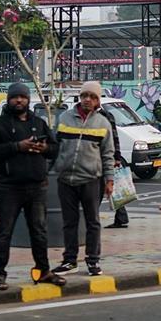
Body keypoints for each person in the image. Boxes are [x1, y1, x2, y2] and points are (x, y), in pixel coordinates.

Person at [0, 82, 66, 291]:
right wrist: (17, 146)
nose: (19, 100)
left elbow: (55, 149)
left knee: (39, 231)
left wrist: (44, 147)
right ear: (9, 99)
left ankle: (44, 270)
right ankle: (0, 275)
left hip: (37, 186)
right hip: (9, 187)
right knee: (4, 232)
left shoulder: (38, 123)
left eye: (23, 97)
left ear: (28, 100)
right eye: (15, 97)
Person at [51, 81, 116, 277]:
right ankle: (70, 260)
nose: (87, 99)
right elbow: (54, 146)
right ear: (80, 97)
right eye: (84, 95)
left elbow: (108, 154)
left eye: (92, 96)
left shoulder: (103, 123)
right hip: (66, 180)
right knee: (69, 221)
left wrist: (110, 180)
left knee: (92, 222)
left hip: (91, 180)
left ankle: (93, 261)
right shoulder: (64, 118)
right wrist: (49, 170)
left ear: (98, 101)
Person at [101, 108, 129, 230]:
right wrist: (117, 156)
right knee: (113, 189)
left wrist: (116, 157)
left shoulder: (103, 116)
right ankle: (121, 217)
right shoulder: (107, 114)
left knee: (102, 189)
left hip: (104, 157)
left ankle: (88, 219)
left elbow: (113, 136)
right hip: (107, 156)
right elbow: (115, 137)